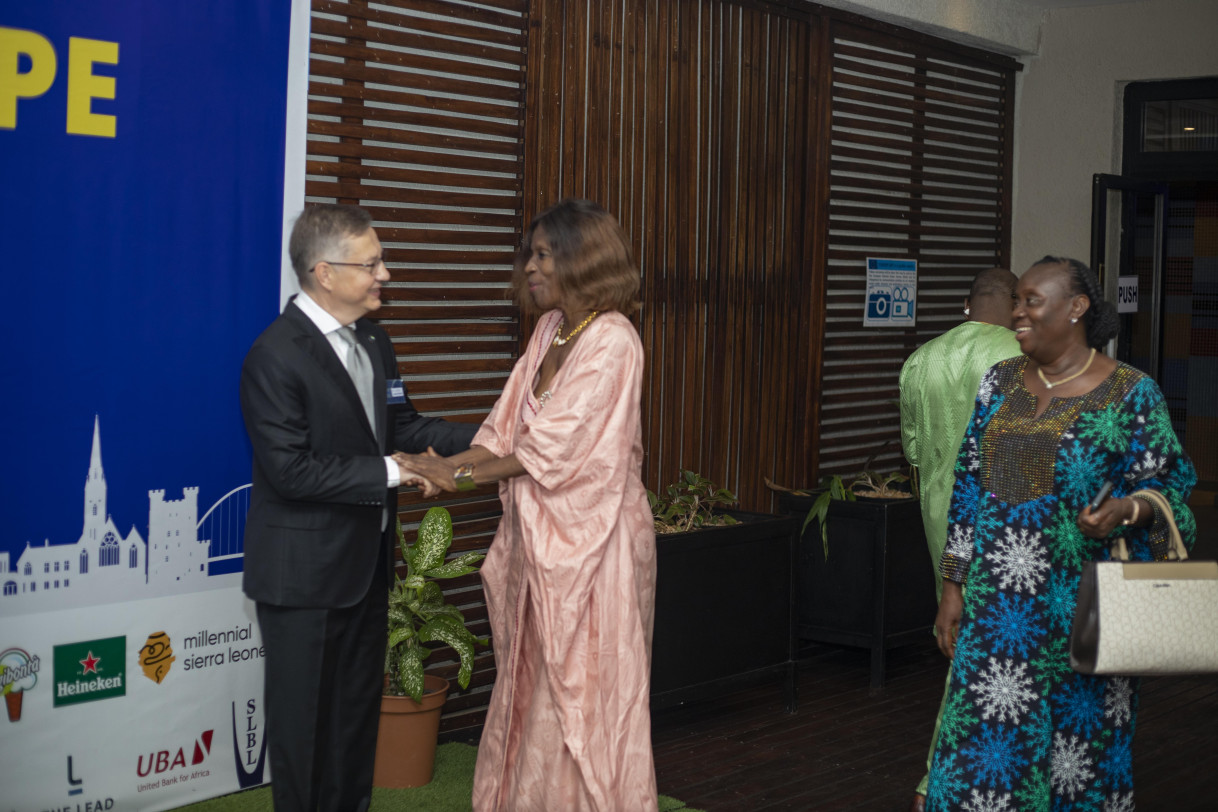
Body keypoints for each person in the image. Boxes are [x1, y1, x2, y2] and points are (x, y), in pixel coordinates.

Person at [398, 198, 658, 811]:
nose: (530, 267)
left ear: (581, 258)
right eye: (531, 254)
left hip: (596, 555)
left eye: (543, 254)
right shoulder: (550, 331)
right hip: (539, 549)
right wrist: (447, 468)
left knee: (587, 698)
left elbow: (553, 447)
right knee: (536, 690)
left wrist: (454, 476)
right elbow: (504, 434)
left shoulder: (613, 340)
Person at [925, 256, 1197, 811]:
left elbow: (1173, 490)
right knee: (979, 749)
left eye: (1031, 301)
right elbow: (969, 485)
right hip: (998, 616)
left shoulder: (1131, 393)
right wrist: (953, 584)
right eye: (1017, 301)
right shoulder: (998, 382)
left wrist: (1127, 508)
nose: (1017, 313)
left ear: (1077, 309)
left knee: (1078, 755)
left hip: (1086, 610)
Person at [239, 204, 477, 812]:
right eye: (371, 263)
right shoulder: (275, 355)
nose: (385, 275)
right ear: (324, 272)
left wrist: (493, 435)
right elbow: (290, 472)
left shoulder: (374, 339)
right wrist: (400, 470)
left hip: (366, 574)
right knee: (304, 733)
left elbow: (404, 423)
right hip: (304, 580)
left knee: (350, 729)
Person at [899, 268, 1021, 812]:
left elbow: (914, 452)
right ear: (1017, 304)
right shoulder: (1019, 357)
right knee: (983, 643)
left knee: (961, 635)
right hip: (1000, 515)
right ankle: (940, 778)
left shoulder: (921, 359)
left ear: (965, 304)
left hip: (938, 512)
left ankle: (965, 770)